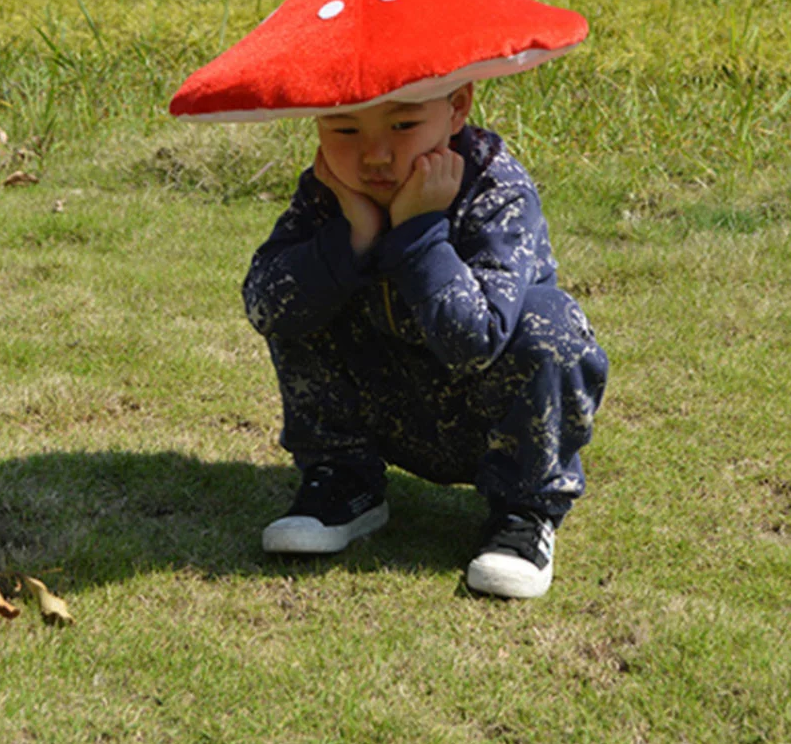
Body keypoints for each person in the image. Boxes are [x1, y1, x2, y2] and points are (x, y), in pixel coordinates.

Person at [241, 81, 608, 599]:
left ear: (456, 108)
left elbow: (475, 342)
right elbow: (265, 307)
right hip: (384, 409)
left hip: (487, 422)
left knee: (550, 321)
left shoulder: (495, 188)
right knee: (301, 288)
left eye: (403, 125)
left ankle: (524, 510)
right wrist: (352, 239)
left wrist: (416, 233)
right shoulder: (329, 191)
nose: (375, 155)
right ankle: (345, 481)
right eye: (344, 129)